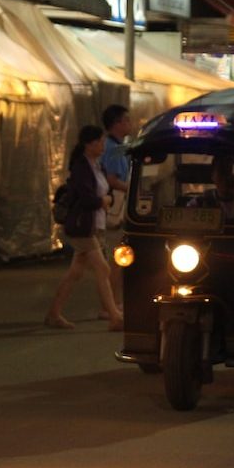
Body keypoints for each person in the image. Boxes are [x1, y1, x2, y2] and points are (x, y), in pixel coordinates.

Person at [45, 125, 124, 331]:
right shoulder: (81, 167)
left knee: (76, 273)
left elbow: (105, 191)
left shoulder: (97, 165)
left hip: (94, 225)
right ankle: (114, 316)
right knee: (103, 268)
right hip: (82, 226)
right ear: (88, 144)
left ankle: (54, 314)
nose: (102, 145)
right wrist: (103, 200)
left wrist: (106, 199)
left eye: (102, 141)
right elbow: (87, 198)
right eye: (99, 141)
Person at [100, 104, 132, 313]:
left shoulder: (119, 146)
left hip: (117, 208)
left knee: (112, 261)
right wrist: (132, 188)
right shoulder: (111, 148)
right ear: (117, 124)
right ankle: (111, 305)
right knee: (115, 260)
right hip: (115, 209)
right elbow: (112, 180)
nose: (130, 123)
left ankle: (113, 304)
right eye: (126, 120)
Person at [190, 155, 234, 220]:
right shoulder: (200, 203)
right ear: (212, 176)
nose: (227, 178)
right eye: (222, 171)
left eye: (231, 171)